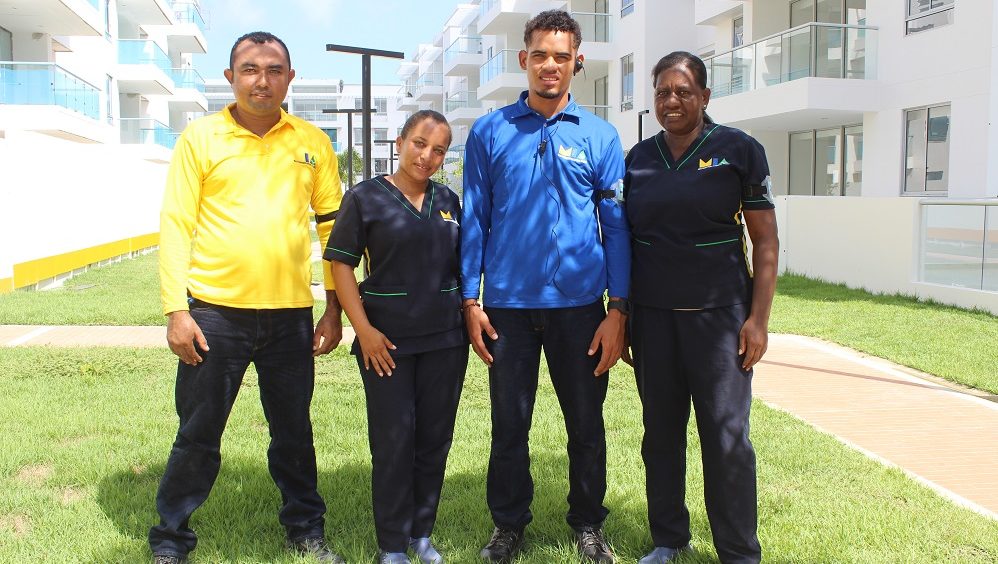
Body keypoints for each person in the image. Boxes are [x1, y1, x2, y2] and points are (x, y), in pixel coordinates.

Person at [150, 31, 345, 564]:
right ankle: (171, 537)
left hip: (289, 317)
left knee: (293, 433)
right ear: (230, 78)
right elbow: (175, 226)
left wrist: (334, 308)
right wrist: (176, 311)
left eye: (275, 69)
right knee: (198, 432)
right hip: (214, 315)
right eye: (251, 69)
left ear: (290, 78)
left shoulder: (312, 142)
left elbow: (333, 232)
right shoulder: (201, 138)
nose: (263, 79)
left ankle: (306, 529)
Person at [461, 10, 630, 564]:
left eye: (561, 55)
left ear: (577, 62)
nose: (550, 65)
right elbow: (474, 219)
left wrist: (618, 309)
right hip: (508, 308)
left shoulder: (601, 136)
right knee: (510, 425)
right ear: (523, 60)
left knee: (586, 423)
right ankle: (508, 526)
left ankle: (588, 525)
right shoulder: (490, 132)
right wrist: (470, 299)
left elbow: (615, 226)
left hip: (582, 309)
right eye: (540, 54)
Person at [622, 51, 779, 564]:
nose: (672, 101)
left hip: (721, 322)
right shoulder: (638, 160)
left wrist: (758, 319)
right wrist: (622, 314)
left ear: (705, 97)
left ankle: (737, 551)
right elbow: (624, 238)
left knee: (726, 438)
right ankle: (668, 538)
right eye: (663, 92)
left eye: (683, 91)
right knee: (660, 436)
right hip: (653, 322)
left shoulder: (740, 151)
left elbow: (765, 242)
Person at [325, 110, 467, 564]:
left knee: (434, 440)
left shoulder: (447, 200)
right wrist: (363, 330)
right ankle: (392, 546)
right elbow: (341, 264)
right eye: (420, 143)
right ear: (400, 140)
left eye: (439, 150)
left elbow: (459, 267)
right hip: (385, 343)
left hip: (445, 340)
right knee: (392, 442)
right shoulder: (365, 198)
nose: (427, 156)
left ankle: (421, 534)